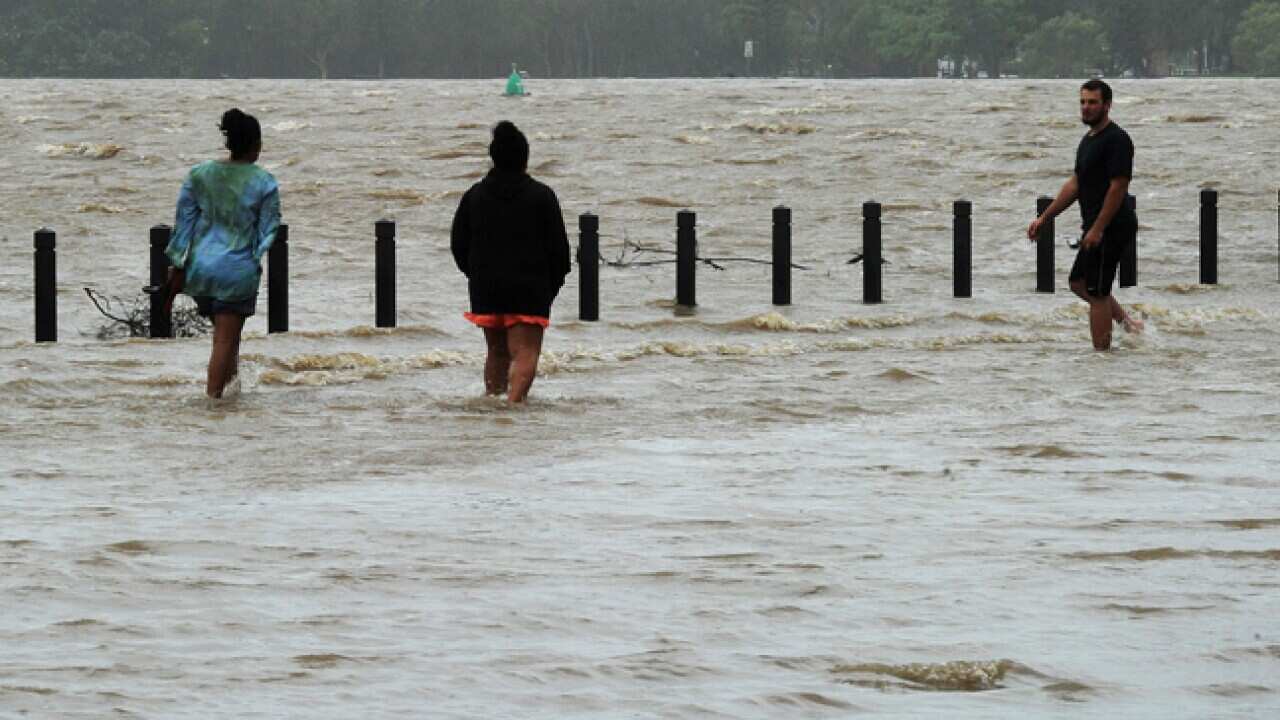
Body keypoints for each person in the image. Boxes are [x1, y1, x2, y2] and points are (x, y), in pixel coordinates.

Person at [164, 108, 281, 398]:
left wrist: (177, 265)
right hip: (236, 271)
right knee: (225, 341)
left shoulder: (199, 175)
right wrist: (255, 257)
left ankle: (231, 398)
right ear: (255, 145)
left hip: (200, 270)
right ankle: (214, 401)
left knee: (229, 338)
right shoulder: (264, 182)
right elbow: (268, 231)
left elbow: (183, 226)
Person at [451, 121, 571, 403]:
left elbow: (458, 244)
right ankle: (513, 407)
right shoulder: (542, 196)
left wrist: (475, 275)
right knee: (525, 351)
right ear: (525, 158)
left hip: (486, 287)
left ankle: (493, 400)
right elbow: (560, 251)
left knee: (496, 351)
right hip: (531, 288)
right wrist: (550, 287)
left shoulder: (474, 196)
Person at [1028, 79, 1144, 350]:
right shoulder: (1088, 140)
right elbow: (1076, 184)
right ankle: (1130, 326)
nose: (1086, 107)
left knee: (1097, 291)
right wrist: (1045, 218)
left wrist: (1098, 228)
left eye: (1093, 102)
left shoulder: (1117, 140)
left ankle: (1101, 357)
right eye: (1082, 102)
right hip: (1097, 225)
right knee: (1079, 283)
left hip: (1112, 225)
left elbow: (1118, 187)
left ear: (1107, 105)